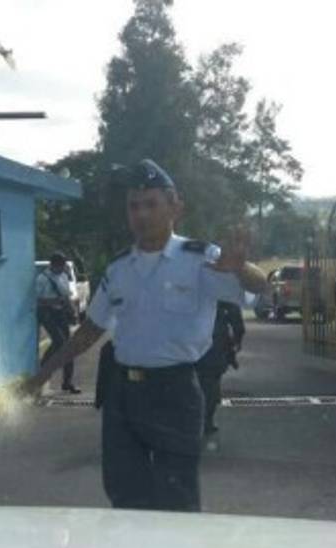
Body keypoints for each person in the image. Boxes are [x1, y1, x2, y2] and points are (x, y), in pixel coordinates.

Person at [23, 159, 268, 512]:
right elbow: (91, 329)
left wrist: (241, 267)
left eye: (151, 204)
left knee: (175, 496)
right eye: (134, 206)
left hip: (176, 391)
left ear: (175, 208)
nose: (141, 214)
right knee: (123, 492)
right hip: (122, 393)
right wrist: (44, 374)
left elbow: (257, 288)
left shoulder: (201, 259)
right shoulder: (119, 268)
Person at [196, 300, 245, 436]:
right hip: (214, 344)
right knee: (211, 383)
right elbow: (236, 320)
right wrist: (237, 340)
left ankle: (195, 419)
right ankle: (206, 420)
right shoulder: (220, 288)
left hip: (189, 345)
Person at [35, 252, 81, 394]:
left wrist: (73, 312)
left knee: (69, 346)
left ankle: (67, 382)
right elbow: (38, 299)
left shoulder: (64, 276)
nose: (63, 268)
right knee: (59, 342)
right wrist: (54, 301)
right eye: (61, 265)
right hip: (48, 313)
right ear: (53, 265)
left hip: (61, 313)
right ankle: (43, 367)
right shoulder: (42, 279)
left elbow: (66, 297)